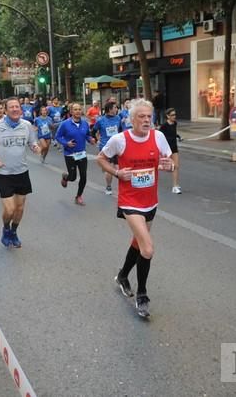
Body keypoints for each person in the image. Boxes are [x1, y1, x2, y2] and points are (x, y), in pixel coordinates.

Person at [96, 98, 175, 318]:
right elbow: (101, 158)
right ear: (131, 120)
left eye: (149, 116)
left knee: (137, 243)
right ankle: (142, 295)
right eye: (142, 116)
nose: (147, 120)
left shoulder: (158, 137)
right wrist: (117, 173)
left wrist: (170, 165)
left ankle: (122, 275)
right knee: (147, 248)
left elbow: (167, 161)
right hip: (130, 201)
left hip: (151, 201)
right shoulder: (119, 140)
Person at [0, 97, 40, 248]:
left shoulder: (27, 125)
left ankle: (13, 232)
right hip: (4, 173)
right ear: (6, 111)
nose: (15, 109)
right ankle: (6, 229)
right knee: (9, 209)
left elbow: (32, 141)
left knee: (20, 208)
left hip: (22, 172)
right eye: (11, 107)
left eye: (17, 107)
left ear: (20, 109)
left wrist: (35, 147)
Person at [55, 103, 97, 205]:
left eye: (79, 109)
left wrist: (90, 139)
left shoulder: (85, 124)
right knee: (73, 177)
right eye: (75, 109)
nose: (78, 111)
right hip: (70, 154)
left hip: (81, 154)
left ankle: (78, 196)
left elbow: (87, 135)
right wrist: (66, 143)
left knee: (83, 176)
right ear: (71, 112)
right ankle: (66, 177)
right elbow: (58, 136)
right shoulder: (65, 124)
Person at [92, 102, 122, 195]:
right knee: (109, 168)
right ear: (109, 109)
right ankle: (108, 186)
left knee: (119, 168)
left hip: (117, 146)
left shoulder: (118, 118)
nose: (116, 109)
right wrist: (97, 140)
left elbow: (120, 130)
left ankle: (123, 188)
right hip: (106, 147)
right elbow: (93, 131)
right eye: (115, 108)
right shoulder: (101, 120)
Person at [158, 108, 183, 194]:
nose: (174, 117)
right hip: (167, 148)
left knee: (176, 166)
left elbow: (174, 133)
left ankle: (175, 186)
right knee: (168, 166)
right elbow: (159, 136)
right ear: (167, 116)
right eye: (172, 115)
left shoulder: (175, 123)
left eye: (175, 115)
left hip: (174, 148)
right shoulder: (164, 126)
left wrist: (178, 137)